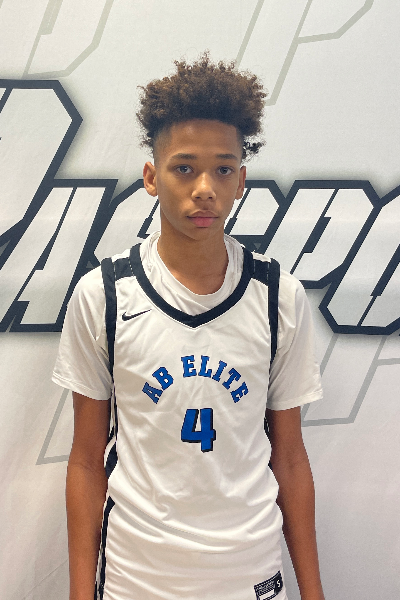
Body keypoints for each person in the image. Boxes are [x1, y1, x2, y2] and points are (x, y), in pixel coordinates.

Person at [52, 53, 325, 600]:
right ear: (152, 177)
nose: (205, 188)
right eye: (184, 168)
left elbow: (291, 459)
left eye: (223, 169)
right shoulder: (103, 294)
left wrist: (314, 592)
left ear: (241, 180)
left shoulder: (278, 296)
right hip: (139, 578)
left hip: (249, 571)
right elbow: (85, 461)